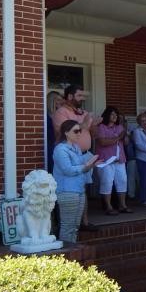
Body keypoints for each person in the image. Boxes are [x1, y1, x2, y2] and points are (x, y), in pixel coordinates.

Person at [52, 85, 99, 229]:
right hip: (69, 154)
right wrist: (84, 124)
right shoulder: (61, 112)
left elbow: (92, 133)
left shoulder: (83, 112)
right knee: (70, 189)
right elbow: (64, 131)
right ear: (70, 96)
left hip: (85, 154)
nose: (82, 99)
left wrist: (94, 125)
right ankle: (68, 222)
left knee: (82, 188)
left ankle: (83, 221)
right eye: (79, 96)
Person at [52, 120, 99, 242]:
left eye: (80, 131)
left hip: (79, 190)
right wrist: (85, 167)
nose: (79, 133)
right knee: (67, 226)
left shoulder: (76, 148)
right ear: (66, 133)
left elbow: (80, 164)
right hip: (67, 191)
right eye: (76, 131)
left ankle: (72, 251)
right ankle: (66, 256)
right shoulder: (60, 149)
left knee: (75, 226)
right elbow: (67, 169)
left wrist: (92, 163)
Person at [95, 106, 132, 215]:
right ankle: (108, 206)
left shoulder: (119, 127)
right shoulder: (101, 127)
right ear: (107, 115)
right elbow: (102, 142)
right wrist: (118, 138)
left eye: (116, 114)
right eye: (112, 114)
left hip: (119, 159)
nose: (115, 116)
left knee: (122, 181)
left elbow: (125, 143)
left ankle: (123, 205)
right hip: (106, 160)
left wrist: (125, 135)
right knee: (107, 182)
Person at [45, 91, 63, 173]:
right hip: (50, 146)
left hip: (59, 146)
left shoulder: (60, 114)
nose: (61, 102)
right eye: (58, 100)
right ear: (52, 101)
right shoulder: (45, 116)